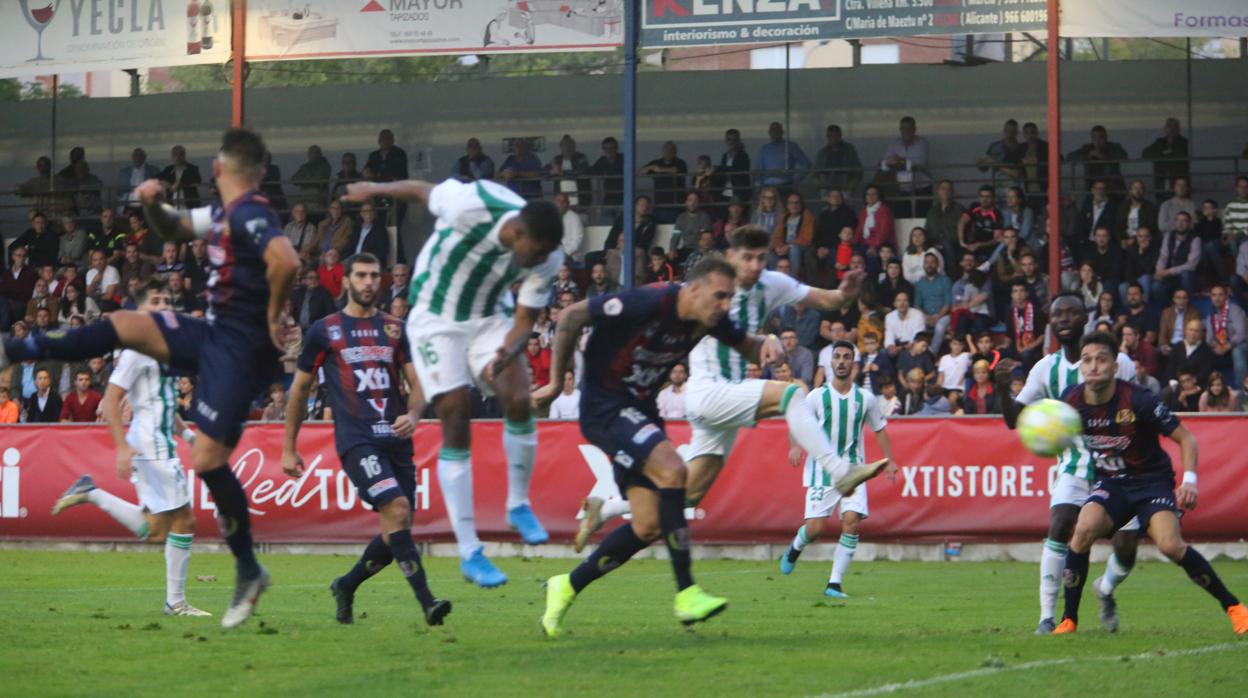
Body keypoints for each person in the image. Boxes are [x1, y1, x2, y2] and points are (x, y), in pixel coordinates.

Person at [2, 128, 302, 628]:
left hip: (238, 348)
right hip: (213, 334)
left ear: (218, 170)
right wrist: (152, 205)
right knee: (124, 325)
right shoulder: (227, 212)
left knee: (206, 459)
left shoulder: (249, 212)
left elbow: (287, 259)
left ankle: (248, 569)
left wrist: (272, 318)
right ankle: (14, 347)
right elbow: (173, 229)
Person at [534, 257, 852, 637]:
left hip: (641, 410)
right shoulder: (650, 301)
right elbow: (570, 317)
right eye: (720, 297)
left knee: (648, 524)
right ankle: (686, 593)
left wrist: (764, 346)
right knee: (674, 471)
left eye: (729, 298)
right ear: (694, 289)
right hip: (605, 406)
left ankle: (566, 585)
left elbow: (747, 345)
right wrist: (555, 384)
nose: (725, 305)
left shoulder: (711, 319)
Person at [565, 226, 883, 556]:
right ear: (731, 257)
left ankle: (607, 509)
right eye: (748, 258)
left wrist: (845, 293)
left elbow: (826, 298)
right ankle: (839, 470)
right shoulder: (710, 290)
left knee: (688, 495)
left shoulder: (772, 284)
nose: (756, 265)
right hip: (708, 392)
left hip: (730, 397)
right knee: (792, 394)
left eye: (762, 258)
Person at [342, 176, 564, 587]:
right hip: (435, 319)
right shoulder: (473, 204)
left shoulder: (547, 254)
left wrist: (507, 354)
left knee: (518, 397)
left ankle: (518, 503)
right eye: (535, 252)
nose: (541, 260)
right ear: (516, 233)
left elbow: (523, 322)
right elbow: (424, 191)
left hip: (489, 317)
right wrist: (374, 188)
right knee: (456, 415)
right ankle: (470, 550)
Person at [282, 252, 451, 627]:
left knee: (397, 530)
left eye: (375, 275)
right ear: (345, 281)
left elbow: (418, 383)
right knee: (396, 508)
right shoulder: (325, 330)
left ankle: (346, 584)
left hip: (397, 438)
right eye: (361, 275)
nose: (369, 282)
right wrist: (289, 447)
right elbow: (299, 390)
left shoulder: (395, 328)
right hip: (357, 441)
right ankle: (428, 604)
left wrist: (414, 413)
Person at [1052, 331, 1247, 636]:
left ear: (1115, 366)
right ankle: (1068, 620)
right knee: (1083, 530)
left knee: (1170, 545)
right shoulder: (1071, 400)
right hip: (1112, 483)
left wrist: (1190, 482)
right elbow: (1053, 432)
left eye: (1101, 360)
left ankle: (1235, 608)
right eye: (1086, 360)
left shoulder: (1138, 399)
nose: (1093, 366)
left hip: (1151, 482)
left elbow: (1186, 439)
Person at [49, 281, 207, 617]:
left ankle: (92, 492)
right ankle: (175, 603)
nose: (164, 304)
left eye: (167, 299)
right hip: (151, 446)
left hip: (157, 442)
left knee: (154, 529)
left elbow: (163, 404)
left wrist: (190, 437)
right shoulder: (137, 350)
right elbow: (111, 396)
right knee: (185, 520)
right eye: (156, 300)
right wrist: (120, 447)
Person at [993, 294, 1138, 634]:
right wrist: (1002, 390)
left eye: (1072, 312)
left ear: (1085, 317)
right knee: (1060, 525)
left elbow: (1137, 405)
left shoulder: (1120, 362)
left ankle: (1105, 589)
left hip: (1118, 465)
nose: (1065, 319)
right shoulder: (1046, 368)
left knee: (1127, 547)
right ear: (1050, 320)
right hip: (1074, 464)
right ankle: (1046, 617)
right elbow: (1016, 420)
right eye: (1058, 314)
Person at [779, 339, 898, 596]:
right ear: (830, 362)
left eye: (846, 357)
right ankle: (796, 546)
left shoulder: (865, 398)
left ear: (853, 363)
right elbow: (797, 422)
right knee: (816, 529)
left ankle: (834, 583)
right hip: (822, 471)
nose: (841, 361)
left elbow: (880, 429)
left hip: (854, 472)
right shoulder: (817, 396)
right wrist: (794, 446)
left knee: (852, 522)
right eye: (837, 357)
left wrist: (890, 460)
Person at [878, 116, 931, 217]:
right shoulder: (894, 144)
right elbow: (883, 163)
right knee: (901, 219)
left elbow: (920, 164)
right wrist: (892, 162)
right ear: (900, 130)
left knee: (922, 219)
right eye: (903, 128)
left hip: (921, 189)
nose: (906, 131)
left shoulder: (922, 143)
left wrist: (900, 161)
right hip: (901, 191)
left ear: (914, 130)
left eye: (909, 128)